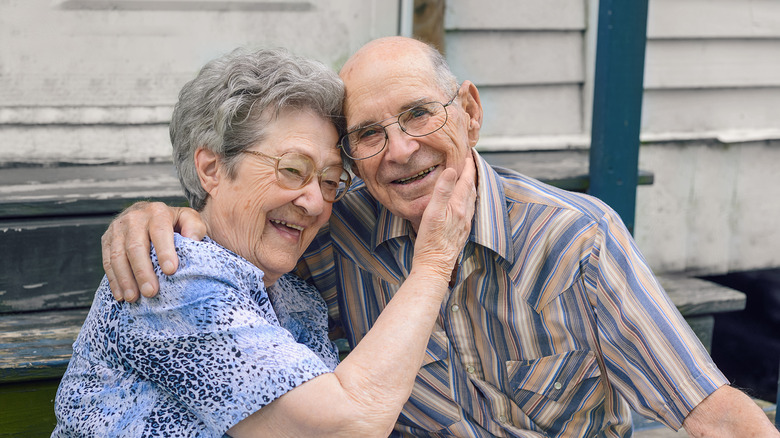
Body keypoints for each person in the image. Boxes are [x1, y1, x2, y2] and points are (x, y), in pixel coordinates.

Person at [101, 38, 779, 437]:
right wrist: (165, 212)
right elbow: (238, 234)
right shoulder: (336, 235)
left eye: (420, 114)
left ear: (471, 113)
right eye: (368, 133)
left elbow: (704, 408)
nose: (399, 149)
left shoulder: (577, 239)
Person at [53, 47, 476, 437]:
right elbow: (348, 426)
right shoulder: (172, 278)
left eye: (329, 181)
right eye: (293, 169)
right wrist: (435, 263)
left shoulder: (296, 299)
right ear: (212, 168)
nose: (314, 202)